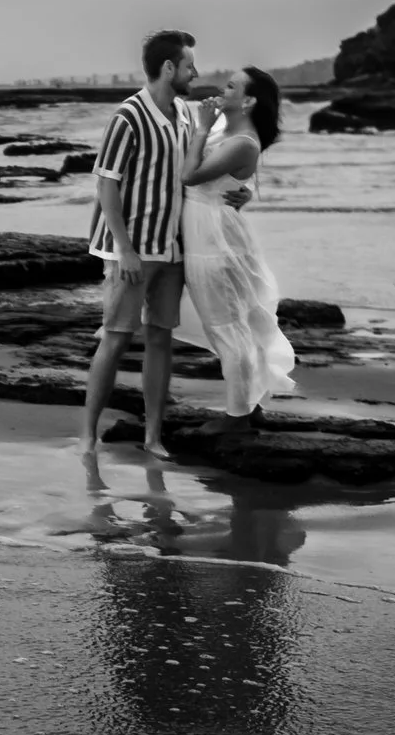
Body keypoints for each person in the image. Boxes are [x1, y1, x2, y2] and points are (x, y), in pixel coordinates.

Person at [81, 30, 201, 456]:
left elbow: (195, 172)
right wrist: (125, 249)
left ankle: (153, 437)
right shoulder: (127, 117)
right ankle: (88, 437)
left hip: (172, 248)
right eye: (189, 65)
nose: (195, 72)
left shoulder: (185, 113)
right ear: (169, 68)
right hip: (131, 252)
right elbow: (106, 186)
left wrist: (235, 191)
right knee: (114, 339)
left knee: (161, 339)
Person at [179, 67, 297, 427]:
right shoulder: (224, 130)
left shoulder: (242, 141)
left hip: (215, 238)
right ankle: (250, 405)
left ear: (247, 101)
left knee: (228, 327)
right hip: (206, 230)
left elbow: (190, 176)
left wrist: (201, 127)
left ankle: (237, 416)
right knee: (231, 326)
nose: (221, 89)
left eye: (231, 86)